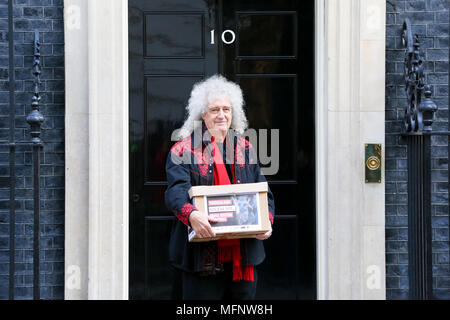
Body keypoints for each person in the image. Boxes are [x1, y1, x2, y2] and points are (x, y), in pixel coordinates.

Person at [165, 74, 275, 300]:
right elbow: (175, 193)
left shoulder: (246, 148)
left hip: (243, 258)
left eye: (227, 109)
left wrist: (267, 221)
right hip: (200, 258)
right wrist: (192, 215)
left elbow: (264, 192)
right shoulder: (182, 150)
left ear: (233, 113)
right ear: (202, 114)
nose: (222, 115)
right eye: (215, 110)